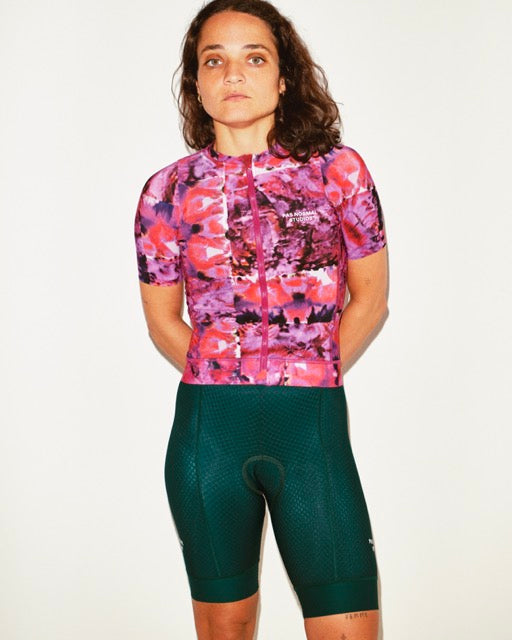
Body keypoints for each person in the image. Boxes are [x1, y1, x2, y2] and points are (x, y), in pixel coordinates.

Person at [133, 1, 388, 638]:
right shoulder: (166, 192)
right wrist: (229, 370)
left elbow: (371, 299)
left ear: (283, 77)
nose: (233, 74)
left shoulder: (339, 173)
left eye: (254, 57)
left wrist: (310, 370)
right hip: (208, 438)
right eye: (213, 60)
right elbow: (163, 321)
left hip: (312, 432)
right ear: (195, 81)